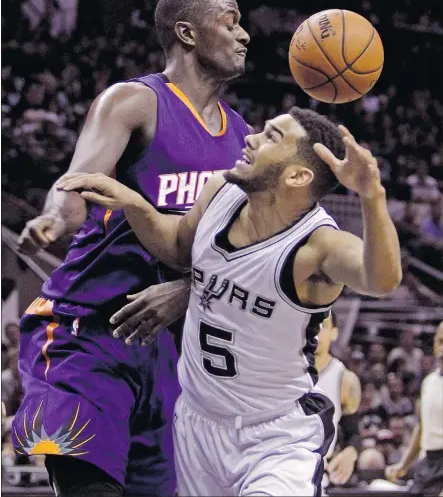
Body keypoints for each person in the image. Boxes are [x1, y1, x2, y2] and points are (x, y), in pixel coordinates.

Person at [59, 107, 403, 496]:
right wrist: (136, 206)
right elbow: (177, 246)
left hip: (274, 438)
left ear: (297, 175)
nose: (251, 138)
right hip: (195, 425)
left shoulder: (318, 245)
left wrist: (372, 195)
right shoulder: (220, 190)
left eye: (271, 137)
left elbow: (382, 280)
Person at [12, 0, 251, 497]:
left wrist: (190, 290)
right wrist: (56, 217)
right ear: (186, 32)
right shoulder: (135, 102)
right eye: (230, 21)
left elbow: (247, 257)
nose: (244, 34)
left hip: (172, 360)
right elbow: (76, 184)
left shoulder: (242, 140)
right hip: (88, 337)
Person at [386, 321, 443, 497]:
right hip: (430, 462)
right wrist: (403, 465)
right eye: (440, 341)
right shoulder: (428, 382)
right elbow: (421, 427)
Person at [315, 314, 362, 489]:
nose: (316, 331)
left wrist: (350, 452)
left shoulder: (345, 379)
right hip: (277, 465)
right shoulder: (282, 370)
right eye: (311, 323)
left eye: (323, 325)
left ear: (334, 333)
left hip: (316, 475)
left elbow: (353, 434)